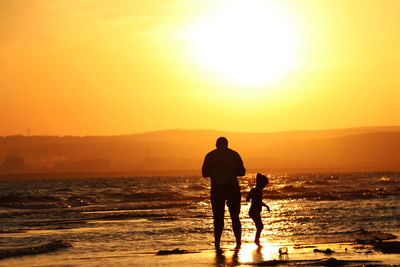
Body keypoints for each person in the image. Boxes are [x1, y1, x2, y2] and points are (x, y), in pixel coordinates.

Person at [202, 137, 246, 250]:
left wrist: (216, 172)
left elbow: (204, 173)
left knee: (218, 218)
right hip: (232, 186)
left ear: (216, 144)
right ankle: (238, 243)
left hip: (217, 187)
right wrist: (230, 171)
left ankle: (217, 244)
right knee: (235, 217)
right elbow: (242, 172)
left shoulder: (210, 155)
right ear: (227, 144)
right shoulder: (234, 154)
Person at [246, 173, 270, 246]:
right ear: (261, 184)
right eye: (264, 185)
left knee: (259, 226)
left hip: (254, 211)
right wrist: (265, 206)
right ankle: (256, 241)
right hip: (254, 211)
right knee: (260, 226)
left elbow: (249, 199)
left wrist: (265, 205)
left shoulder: (254, 190)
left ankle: (257, 240)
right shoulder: (257, 191)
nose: (264, 187)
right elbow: (258, 201)